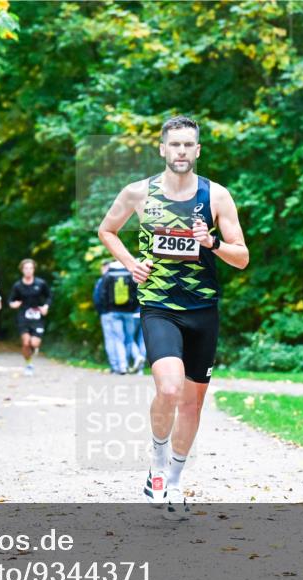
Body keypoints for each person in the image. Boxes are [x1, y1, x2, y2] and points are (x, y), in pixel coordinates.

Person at [97, 115, 248, 519]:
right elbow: (107, 230)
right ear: (163, 149)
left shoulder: (216, 196)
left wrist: (211, 242)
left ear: (197, 151)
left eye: (188, 145)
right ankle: (158, 466)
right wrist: (130, 263)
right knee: (168, 389)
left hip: (203, 310)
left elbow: (242, 257)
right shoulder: (137, 193)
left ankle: (176, 480)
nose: (181, 151)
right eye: (174, 145)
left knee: (193, 404)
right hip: (159, 306)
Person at [95, 260, 145, 374]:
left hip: (113, 312)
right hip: (129, 313)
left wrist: (107, 309)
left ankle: (122, 367)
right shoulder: (129, 275)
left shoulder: (108, 276)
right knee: (129, 339)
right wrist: (132, 308)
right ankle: (132, 362)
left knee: (118, 339)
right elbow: (136, 293)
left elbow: (102, 295)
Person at [8, 258, 52, 376]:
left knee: (34, 343)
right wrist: (14, 304)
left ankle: (33, 349)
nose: (28, 270)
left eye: (30, 268)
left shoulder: (40, 283)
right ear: (22, 270)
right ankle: (28, 364)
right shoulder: (18, 286)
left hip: (37, 317)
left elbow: (49, 296)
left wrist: (45, 307)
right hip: (23, 316)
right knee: (26, 343)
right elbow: (11, 300)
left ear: (34, 269)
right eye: (26, 268)